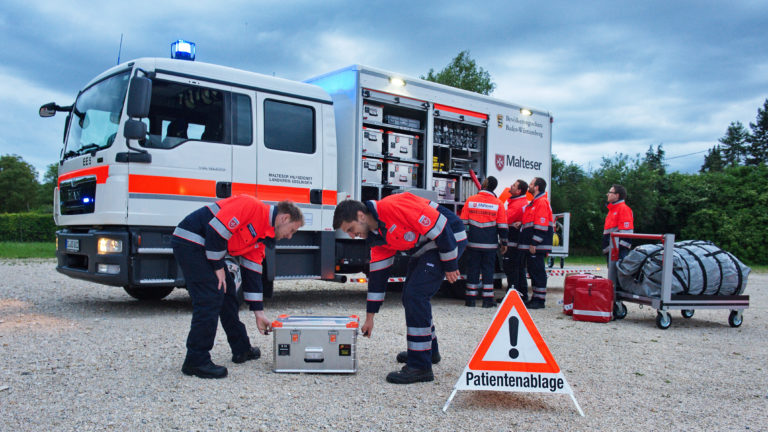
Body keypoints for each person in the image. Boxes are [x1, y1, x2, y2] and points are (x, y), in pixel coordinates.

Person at [333, 192, 466, 384]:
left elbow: (440, 226)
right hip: (427, 248)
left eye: (351, 229)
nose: (352, 236)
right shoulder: (377, 238)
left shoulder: (393, 207)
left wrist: (450, 263)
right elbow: (378, 277)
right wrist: (370, 317)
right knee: (409, 296)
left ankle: (420, 366)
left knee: (415, 296)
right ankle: (430, 352)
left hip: (449, 239)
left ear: (361, 216)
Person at [171, 196, 304, 379]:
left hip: (207, 249)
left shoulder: (262, 238)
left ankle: (241, 349)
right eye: (292, 230)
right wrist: (218, 266)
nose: (289, 236)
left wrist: (259, 313)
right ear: (284, 218)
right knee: (210, 295)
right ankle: (196, 360)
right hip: (191, 242)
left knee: (228, 294)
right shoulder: (251, 206)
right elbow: (216, 230)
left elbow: (253, 273)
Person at [460, 176, 508, 308]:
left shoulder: (471, 201)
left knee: (473, 270)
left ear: (484, 184)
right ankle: (487, 301)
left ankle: (470, 300)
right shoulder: (497, 203)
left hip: (473, 244)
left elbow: (462, 224)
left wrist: (463, 241)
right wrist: (504, 243)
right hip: (490, 245)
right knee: (488, 271)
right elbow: (502, 226)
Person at [518, 177, 553, 309]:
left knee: (538, 272)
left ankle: (539, 300)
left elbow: (541, 225)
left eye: (531, 184)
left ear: (537, 187)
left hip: (537, 246)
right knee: (534, 272)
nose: (529, 186)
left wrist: (534, 243)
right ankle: (536, 298)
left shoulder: (541, 202)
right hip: (534, 245)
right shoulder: (534, 203)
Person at [501, 179, 529, 302]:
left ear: (518, 191)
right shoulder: (520, 202)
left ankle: (512, 297)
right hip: (517, 243)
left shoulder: (518, 205)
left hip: (514, 244)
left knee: (512, 270)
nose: (510, 187)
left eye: (513, 186)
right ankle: (521, 296)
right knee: (519, 269)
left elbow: (504, 220)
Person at [602, 184, 634, 261]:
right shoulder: (612, 210)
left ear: (617, 195)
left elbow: (627, 235)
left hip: (618, 253)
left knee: (618, 272)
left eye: (610, 192)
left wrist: (616, 250)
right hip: (612, 251)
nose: (607, 194)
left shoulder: (623, 209)